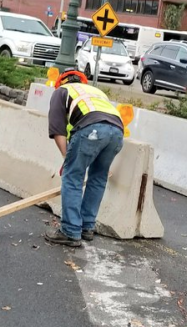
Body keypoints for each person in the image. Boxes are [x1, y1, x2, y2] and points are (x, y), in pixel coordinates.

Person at [45, 69, 124, 247]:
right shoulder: (96, 92)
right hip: (117, 132)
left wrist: (67, 158)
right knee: (98, 178)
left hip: (91, 130)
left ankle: (71, 231)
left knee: (72, 177)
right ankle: (87, 227)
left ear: (61, 82)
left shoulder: (61, 92)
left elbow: (58, 129)